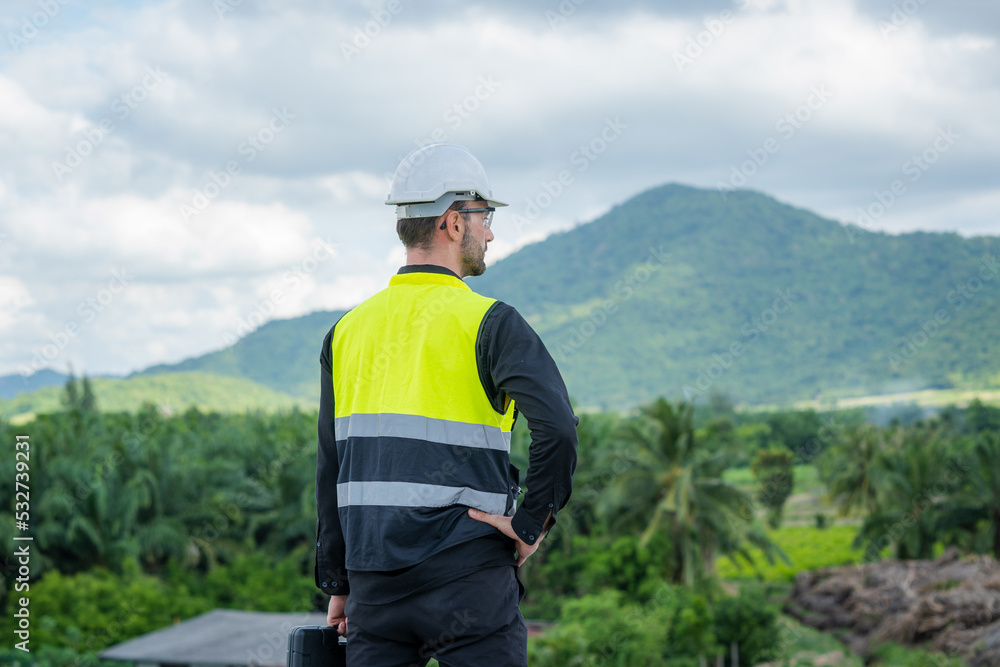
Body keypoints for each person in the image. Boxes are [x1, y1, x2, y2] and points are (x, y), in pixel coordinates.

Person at [314, 142, 578, 666]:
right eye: (484, 217)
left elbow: (332, 466)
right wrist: (531, 525)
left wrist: (338, 581)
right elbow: (559, 430)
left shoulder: (346, 331)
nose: (490, 232)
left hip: (375, 590)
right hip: (467, 580)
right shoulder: (492, 322)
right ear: (453, 223)